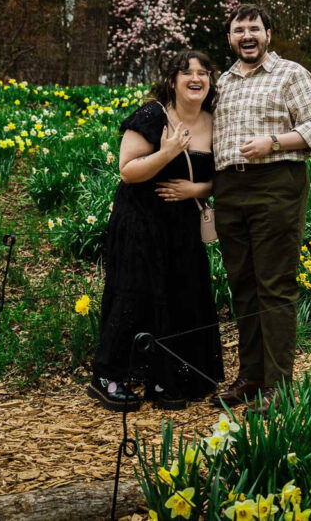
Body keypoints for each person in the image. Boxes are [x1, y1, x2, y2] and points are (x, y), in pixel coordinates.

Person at [89, 50, 224, 412]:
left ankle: (168, 377)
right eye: (186, 73)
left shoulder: (215, 121)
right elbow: (127, 170)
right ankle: (107, 377)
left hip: (182, 226)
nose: (195, 79)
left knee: (183, 295)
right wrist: (167, 153)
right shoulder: (153, 116)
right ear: (172, 80)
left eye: (203, 73)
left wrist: (195, 191)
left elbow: (221, 179)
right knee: (132, 295)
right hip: (141, 221)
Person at [211, 4, 311, 417]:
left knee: (274, 285)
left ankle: (279, 386)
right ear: (229, 38)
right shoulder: (220, 82)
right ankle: (250, 377)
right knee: (242, 285)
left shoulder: (290, 74)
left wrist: (274, 143)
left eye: (254, 29)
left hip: (276, 184)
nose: (247, 35)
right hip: (228, 189)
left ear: (268, 34)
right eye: (238, 29)